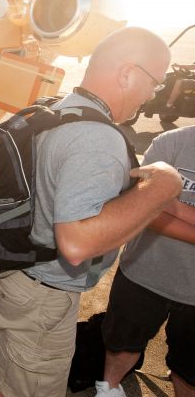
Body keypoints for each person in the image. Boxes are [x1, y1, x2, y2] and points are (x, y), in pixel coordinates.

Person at [0, 27, 184, 397]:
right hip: (44, 294)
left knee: (10, 356)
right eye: (155, 83)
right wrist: (163, 186)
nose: (152, 94)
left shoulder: (59, 108)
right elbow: (75, 243)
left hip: (16, 272)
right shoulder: (97, 138)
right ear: (127, 74)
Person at [97, 125, 195, 397]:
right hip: (143, 275)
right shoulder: (172, 142)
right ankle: (109, 388)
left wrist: (164, 202)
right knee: (121, 345)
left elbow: (154, 205)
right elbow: (142, 208)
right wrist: (153, 203)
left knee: (188, 370)